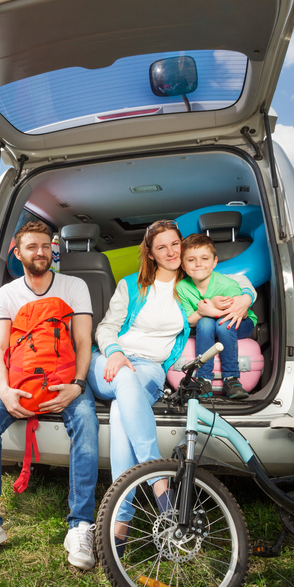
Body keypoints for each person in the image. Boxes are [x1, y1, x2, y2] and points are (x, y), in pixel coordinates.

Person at [0, 220, 99, 570]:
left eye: (46, 246)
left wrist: (78, 385)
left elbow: (84, 341)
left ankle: (81, 525)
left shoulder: (74, 285)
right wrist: (4, 391)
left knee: (85, 420)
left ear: (54, 250)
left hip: (66, 378)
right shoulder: (5, 294)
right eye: (32, 247)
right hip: (18, 380)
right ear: (17, 253)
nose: (41, 252)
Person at [88, 219, 190, 535]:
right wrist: (115, 351)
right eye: (162, 247)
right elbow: (105, 328)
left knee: (122, 411)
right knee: (124, 381)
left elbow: (236, 288)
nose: (171, 251)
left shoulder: (192, 288)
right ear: (151, 253)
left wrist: (244, 298)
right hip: (108, 360)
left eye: (175, 244)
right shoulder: (131, 285)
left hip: (149, 369)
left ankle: (122, 517)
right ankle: (159, 480)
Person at [177, 233, 257, 399]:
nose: (198, 264)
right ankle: (203, 378)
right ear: (183, 265)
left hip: (239, 322)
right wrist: (202, 312)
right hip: (207, 326)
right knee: (205, 322)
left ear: (214, 262)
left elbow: (236, 313)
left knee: (221, 323)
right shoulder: (182, 287)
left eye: (205, 258)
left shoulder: (227, 284)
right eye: (191, 260)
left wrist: (212, 308)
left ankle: (231, 378)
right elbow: (189, 320)